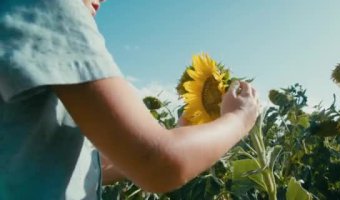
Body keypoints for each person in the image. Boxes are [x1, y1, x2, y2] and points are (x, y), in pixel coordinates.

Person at [0, 0, 260, 199]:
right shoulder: (50, 10)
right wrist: (239, 118)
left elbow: (45, 168)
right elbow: (159, 165)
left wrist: (143, 153)